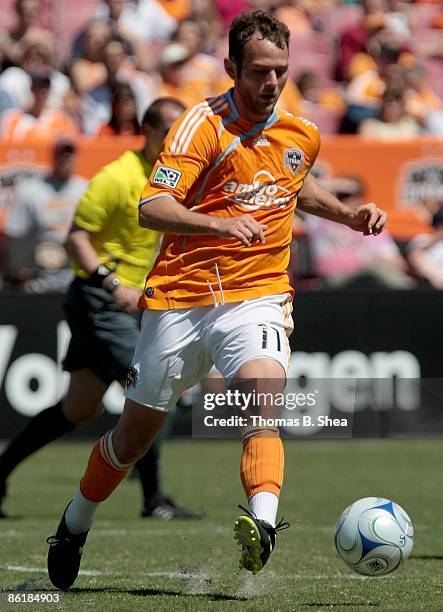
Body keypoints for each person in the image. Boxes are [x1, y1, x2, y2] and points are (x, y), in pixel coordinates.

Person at [47, 10, 387, 590]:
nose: (272, 83)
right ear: (231, 68)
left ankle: (263, 524)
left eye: (280, 71)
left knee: (263, 396)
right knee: (133, 438)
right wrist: (219, 223)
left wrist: (349, 214)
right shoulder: (200, 125)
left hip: (256, 295)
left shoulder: (301, 132)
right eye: (259, 71)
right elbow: (150, 206)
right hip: (182, 297)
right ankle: (76, 522)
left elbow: (295, 182)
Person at [0, 97, 200, 521]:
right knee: (153, 384)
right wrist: (113, 283)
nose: (179, 142)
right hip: (101, 300)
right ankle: (153, 499)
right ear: (147, 131)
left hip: (131, 304)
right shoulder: (117, 177)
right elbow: (76, 239)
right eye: (171, 133)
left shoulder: (171, 178)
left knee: (80, 407)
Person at [4, 138, 87, 293]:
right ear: (53, 156)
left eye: (69, 154)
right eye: (61, 154)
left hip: (77, 272)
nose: (65, 159)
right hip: (40, 271)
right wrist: (20, 266)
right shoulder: (31, 189)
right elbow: (15, 234)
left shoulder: (86, 189)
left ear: (77, 157)